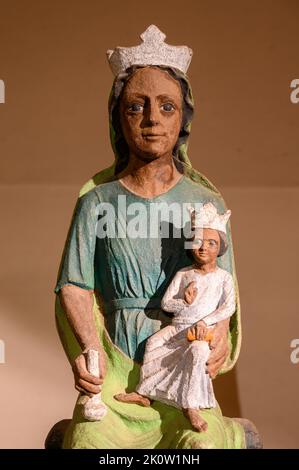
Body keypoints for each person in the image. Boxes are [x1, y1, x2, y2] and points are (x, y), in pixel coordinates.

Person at [54, 25, 244, 448]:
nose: (152, 119)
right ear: (118, 118)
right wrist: (89, 351)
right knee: (88, 442)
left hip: (185, 372)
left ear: (184, 118)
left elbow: (223, 288)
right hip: (116, 373)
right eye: (136, 106)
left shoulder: (205, 200)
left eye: (167, 107)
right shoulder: (97, 202)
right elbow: (74, 284)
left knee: (202, 445)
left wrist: (215, 336)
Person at [114, 203, 235, 433]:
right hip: (178, 326)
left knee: (198, 351)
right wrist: (185, 302)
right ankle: (145, 392)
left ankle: (191, 405)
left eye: (211, 243)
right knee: (153, 343)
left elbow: (228, 306)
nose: (203, 248)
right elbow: (167, 304)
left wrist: (205, 321)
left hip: (199, 332)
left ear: (220, 248)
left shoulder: (223, 278)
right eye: (198, 242)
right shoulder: (184, 274)